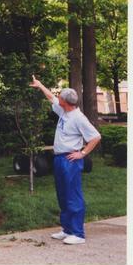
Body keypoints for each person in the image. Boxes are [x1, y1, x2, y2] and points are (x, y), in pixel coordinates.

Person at [30, 75, 101, 245]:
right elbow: (50, 97)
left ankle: (78, 233)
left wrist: (82, 153)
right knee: (62, 195)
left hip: (71, 160)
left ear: (66, 101)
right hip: (59, 159)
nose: (58, 98)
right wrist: (40, 85)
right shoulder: (63, 111)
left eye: (60, 96)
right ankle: (67, 229)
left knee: (72, 195)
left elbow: (95, 137)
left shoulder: (78, 118)